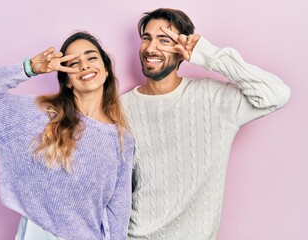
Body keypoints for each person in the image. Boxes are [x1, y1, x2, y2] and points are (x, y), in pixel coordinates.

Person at [121, 8, 291, 240]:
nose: (151, 48)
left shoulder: (212, 99)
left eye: (164, 40)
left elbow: (277, 94)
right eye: (147, 38)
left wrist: (208, 55)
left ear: (183, 50)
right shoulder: (121, 108)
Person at [0, 31, 134, 240]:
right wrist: (28, 68)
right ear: (67, 81)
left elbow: (118, 213)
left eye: (91, 57)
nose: (84, 66)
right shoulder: (38, 115)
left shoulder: (122, 140)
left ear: (106, 70)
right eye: (73, 63)